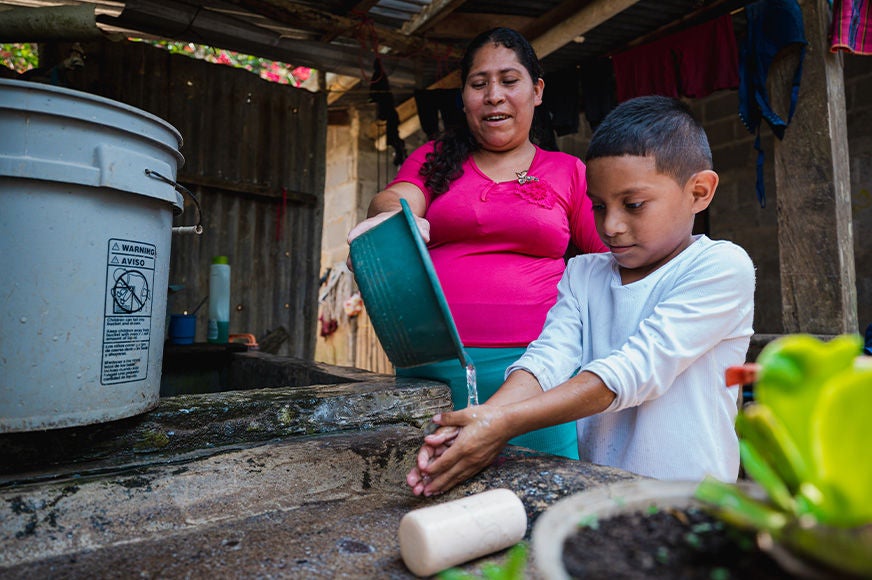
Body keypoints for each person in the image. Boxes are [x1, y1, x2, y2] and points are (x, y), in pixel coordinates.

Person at [406, 95, 756, 496]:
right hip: (599, 496)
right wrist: (482, 419)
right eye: (598, 206)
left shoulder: (720, 266)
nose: (612, 225)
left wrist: (503, 424)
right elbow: (547, 359)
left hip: (691, 502)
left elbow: (631, 372)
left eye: (634, 205)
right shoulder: (584, 273)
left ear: (699, 191)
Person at [347, 27, 606, 459]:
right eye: (479, 84)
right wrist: (395, 217)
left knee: (538, 496)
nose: (494, 96)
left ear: (537, 91)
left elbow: (609, 256)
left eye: (509, 80)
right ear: (464, 96)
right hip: (433, 368)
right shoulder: (434, 159)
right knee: (434, 493)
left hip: (537, 371)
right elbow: (396, 197)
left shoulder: (567, 171)